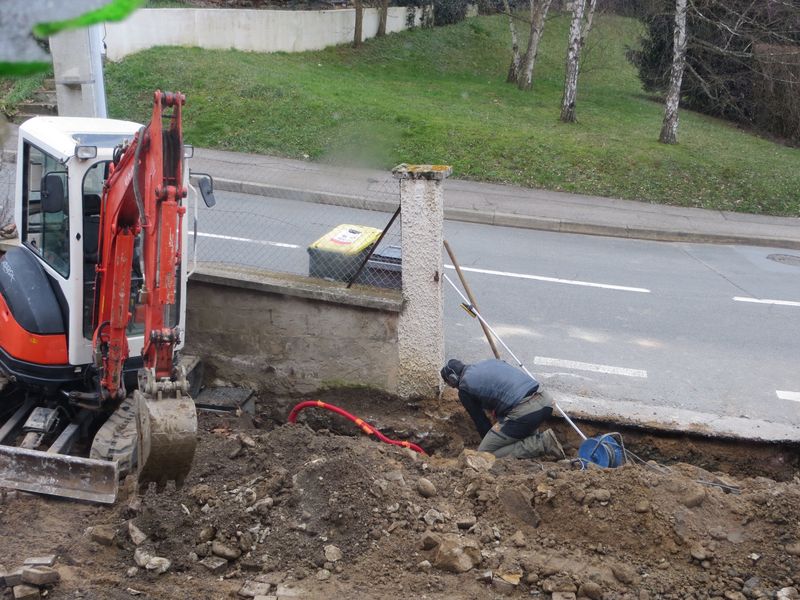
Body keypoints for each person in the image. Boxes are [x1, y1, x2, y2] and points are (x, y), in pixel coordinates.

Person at [441, 358, 565, 460]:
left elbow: (480, 421)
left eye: (450, 384)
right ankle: (532, 441)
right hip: (545, 401)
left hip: (525, 412)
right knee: (515, 425)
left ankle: (542, 443)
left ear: (453, 379)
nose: (453, 387)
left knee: (485, 455)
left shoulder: (464, 389)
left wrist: (489, 442)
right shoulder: (490, 362)